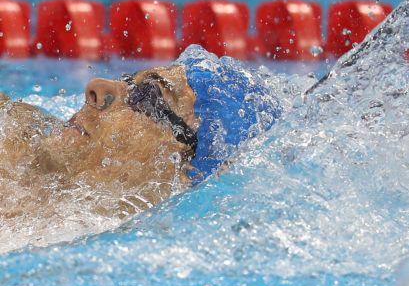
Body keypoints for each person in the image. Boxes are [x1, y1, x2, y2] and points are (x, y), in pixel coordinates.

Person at [0, 45, 281, 220]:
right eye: (127, 81)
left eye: (147, 97)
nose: (97, 87)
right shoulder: (12, 132)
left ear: (182, 171)